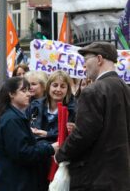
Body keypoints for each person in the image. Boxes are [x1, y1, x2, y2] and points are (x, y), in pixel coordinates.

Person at [55, 42, 130, 190]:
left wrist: (61, 154)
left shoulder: (93, 90)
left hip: (95, 177)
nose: (84, 66)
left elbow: (84, 134)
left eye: (86, 60)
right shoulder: (125, 89)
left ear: (99, 59)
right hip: (120, 177)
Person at [0, 77, 58, 191]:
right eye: (23, 91)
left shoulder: (14, 116)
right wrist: (50, 148)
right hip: (14, 183)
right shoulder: (11, 119)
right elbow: (23, 153)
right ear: (11, 94)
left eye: (28, 90)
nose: (28, 94)